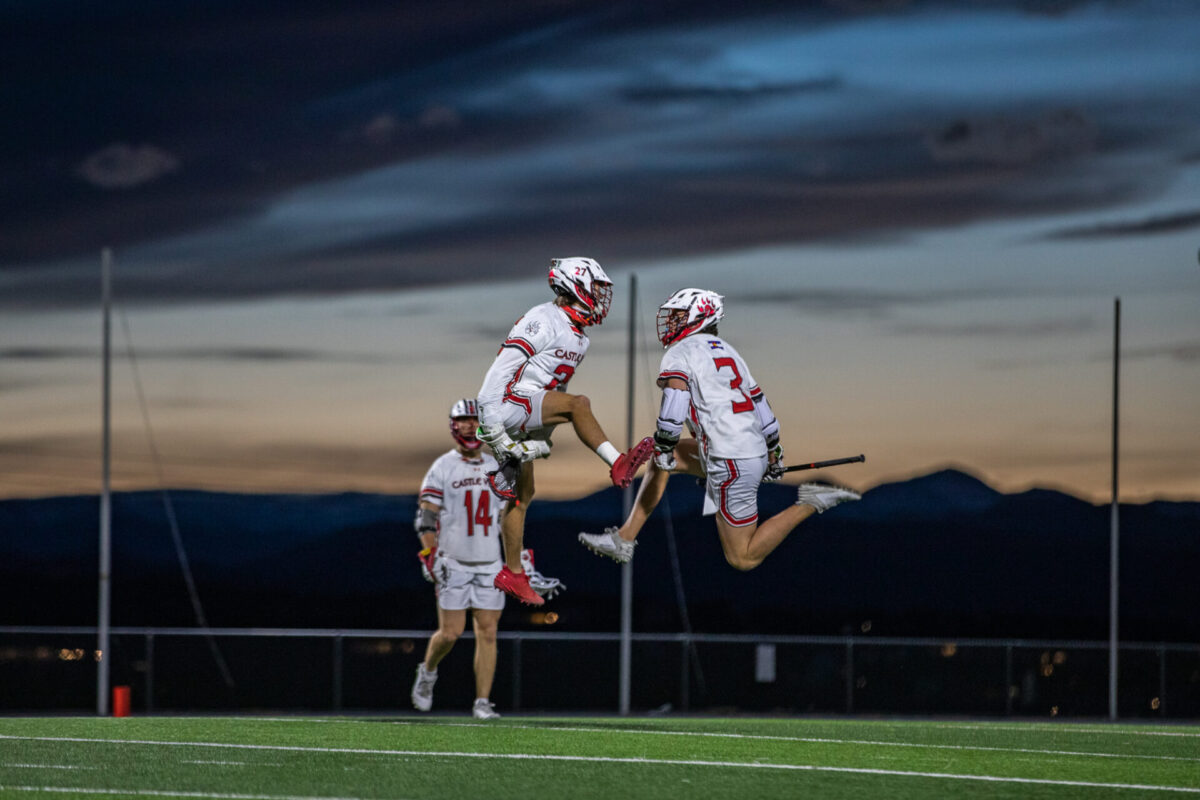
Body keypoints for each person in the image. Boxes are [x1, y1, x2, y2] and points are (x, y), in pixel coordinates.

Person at [578, 288, 860, 570]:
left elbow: (675, 402)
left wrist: (663, 444)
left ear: (699, 317)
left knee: (742, 557)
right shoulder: (728, 350)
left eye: (679, 316)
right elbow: (761, 406)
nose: (672, 322)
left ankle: (811, 502)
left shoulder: (681, 352)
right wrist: (774, 453)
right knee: (667, 459)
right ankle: (624, 539)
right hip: (746, 450)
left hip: (730, 458)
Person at [475, 257, 655, 606]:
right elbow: (498, 376)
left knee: (521, 495)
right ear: (576, 286)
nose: (602, 298)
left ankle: (512, 573)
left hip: (527, 409)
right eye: (597, 289)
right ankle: (618, 462)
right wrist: (496, 433)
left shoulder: (579, 338)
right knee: (580, 404)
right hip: (506, 404)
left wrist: (539, 439)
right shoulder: (543, 319)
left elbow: (553, 389)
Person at [410, 398, 564, 720]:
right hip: (453, 561)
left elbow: (508, 516)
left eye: (473, 420)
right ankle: (427, 671)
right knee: (450, 633)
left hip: (490, 563)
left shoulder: (497, 465)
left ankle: (482, 701)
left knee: (488, 631)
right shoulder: (442, 467)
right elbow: (425, 517)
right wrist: (430, 553)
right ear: (454, 426)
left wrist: (519, 559)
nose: (468, 425)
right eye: (463, 420)